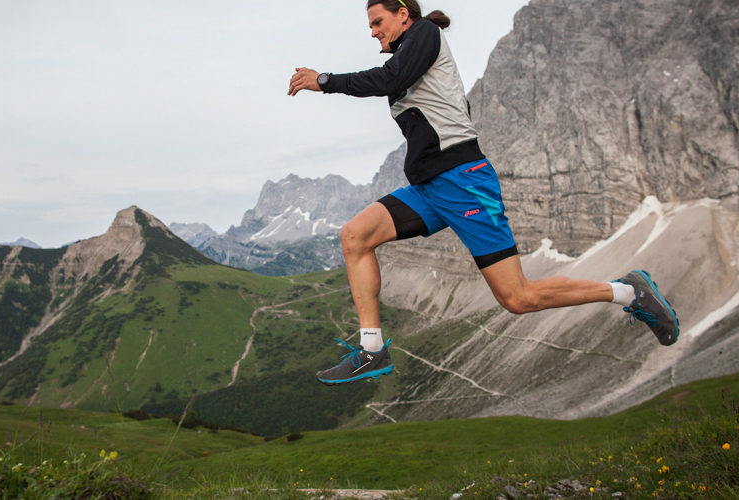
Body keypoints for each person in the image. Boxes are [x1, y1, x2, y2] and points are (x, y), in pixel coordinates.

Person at [288, 0, 680, 385]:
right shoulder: (411, 54)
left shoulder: (424, 34)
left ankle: (628, 292)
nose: (373, 31)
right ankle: (373, 351)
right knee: (355, 237)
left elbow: (390, 79)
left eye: (377, 22)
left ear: (403, 15)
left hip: (463, 181)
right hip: (428, 188)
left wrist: (325, 81)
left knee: (517, 298)